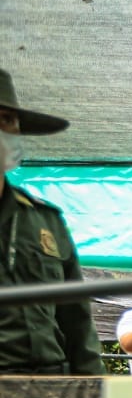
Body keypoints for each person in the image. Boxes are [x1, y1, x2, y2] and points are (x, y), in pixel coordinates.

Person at [0, 69, 104, 376]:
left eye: (6, 120)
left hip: (50, 384)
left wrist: (93, 389)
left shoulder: (44, 219)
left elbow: (77, 320)